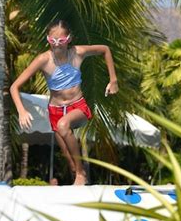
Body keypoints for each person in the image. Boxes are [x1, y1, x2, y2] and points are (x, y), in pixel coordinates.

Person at [10, 20, 119, 185]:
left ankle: (81, 173)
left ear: (68, 39)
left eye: (60, 41)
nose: (56, 45)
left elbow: (105, 50)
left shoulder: (78, 53)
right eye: (52, 41)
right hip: (56, 109)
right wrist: (21, 110)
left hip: (78, 105)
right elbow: (14, 87)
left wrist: (113, 80)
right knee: (69, 160)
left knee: (63, 125)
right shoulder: (43, 60)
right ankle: (78, 173)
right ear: (48, 39)